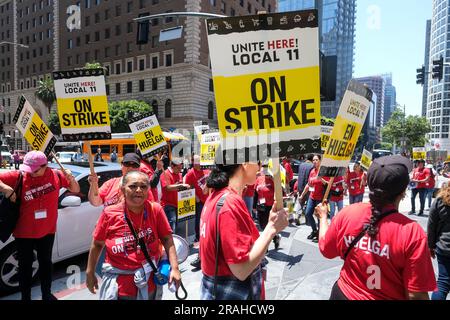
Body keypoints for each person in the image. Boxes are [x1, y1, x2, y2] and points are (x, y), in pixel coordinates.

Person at [315, 155, 437, 300]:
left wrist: (323, 218)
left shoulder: (348, 212)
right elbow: (416, 295)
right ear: (403, 192)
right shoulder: (411, 233)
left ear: (368, 184)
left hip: (342, 294)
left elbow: (326, 249)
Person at [85, 171, 182, 300]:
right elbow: (97, 244)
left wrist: (175, 268)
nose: (138, 190)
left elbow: (167, 239)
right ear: (122, 189)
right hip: (118, 289)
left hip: (150, 285)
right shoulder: (109, 213)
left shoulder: (156, 210)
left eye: (143, 187)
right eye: (133, 186)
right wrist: (90, 272)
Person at [199, 162, 288, 300]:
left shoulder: (218, 196)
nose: (259, 168)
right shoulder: (230, 203)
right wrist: (272, 228)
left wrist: (271, 224)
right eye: (257, 162)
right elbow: (241, 269)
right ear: (245, 163)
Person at [0, 150, 80, 300]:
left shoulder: (56, 175)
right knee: (24, 266)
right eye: (28, 169)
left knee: (45, 263)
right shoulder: (20, 175)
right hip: (24, 231)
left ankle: (46, 294)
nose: (31, 173)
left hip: (48, 229)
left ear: (45, 166)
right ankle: (26, 297)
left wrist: (70, 177)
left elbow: (75, 190)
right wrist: (6, 188)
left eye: (35, 170)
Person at [88, 153, 153, 276]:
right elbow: (95, 201)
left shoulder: (143, 188)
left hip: (132, 239)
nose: (130, 167)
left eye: (134, 165)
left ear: (139, 168)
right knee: (102, 271)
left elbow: (151, 213)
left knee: (130, 274)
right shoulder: (111, 183)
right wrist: (93, 184)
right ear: (121, 166)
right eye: (127, 164)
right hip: (109, 237)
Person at [184, 155, 210, 268]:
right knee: (201, 227)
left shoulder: (207, 169)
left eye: (198, 162)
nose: (197, 164)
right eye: (194, 162)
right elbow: (188, 187)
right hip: (200, 203)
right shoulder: (190, 173)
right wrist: (195, 197)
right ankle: (201, 253)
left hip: (210, 201)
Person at [427, 184, 450, 300]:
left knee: (443, 282)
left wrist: (430, 246)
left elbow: (431, 224)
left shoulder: (440, 200)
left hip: (444, 246)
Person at [299, 154, 326, 242]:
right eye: (313, 160)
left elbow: (328, 184)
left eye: (316, 160)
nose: (314, 161)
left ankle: (319, 234)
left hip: (320, 198)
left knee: (319, 216)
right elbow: (309, 184)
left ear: (320, 161)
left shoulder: (324, 171)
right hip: (312, 196)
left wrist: (321, 179)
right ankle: (314, 230)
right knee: (307, 214)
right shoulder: (312, 171)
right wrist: (302, 195)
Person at [160, 158, 191, 232]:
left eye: (181, 168)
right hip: (168, 204)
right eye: (178, 168)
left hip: (177, 204)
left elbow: (179, 187)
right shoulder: (165, 174)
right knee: (172, 224)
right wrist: (182, 186)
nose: (180, 170)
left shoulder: (179, 174)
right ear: (172, 166)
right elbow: (168, 187)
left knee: (176, 225)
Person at [255, 163, 281, 249]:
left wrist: (273, 180)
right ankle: (276, 237)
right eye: (264, 167)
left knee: (268, 226)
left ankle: (265, 247)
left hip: (270, 206)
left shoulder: (272, 179)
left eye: (267, 168)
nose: (265, 169)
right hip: (260, 205)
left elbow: (279, 191)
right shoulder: (259, 178)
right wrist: (254, 206)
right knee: (262, 226)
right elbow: (255, 192)